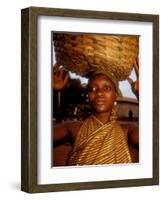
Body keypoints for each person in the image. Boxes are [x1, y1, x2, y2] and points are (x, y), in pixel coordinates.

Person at [53, 62, 139, 166]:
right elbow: (36, 138)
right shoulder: (73, 128)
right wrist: (48, 90)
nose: (99, 93)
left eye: (106, 88)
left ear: (115, 95)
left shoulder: (127, 131)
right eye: (93, 89)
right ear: (88, 96)